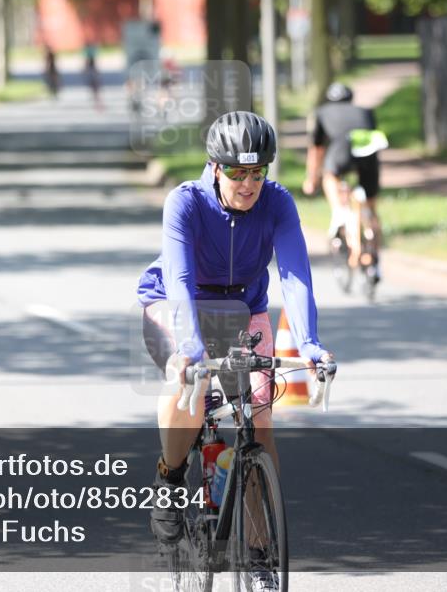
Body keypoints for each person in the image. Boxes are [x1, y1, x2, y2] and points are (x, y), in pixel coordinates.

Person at [137, 111, 332, 590]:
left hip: (244, 308)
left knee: (259, 416)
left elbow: (294, 273)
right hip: (175, 304)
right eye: (238, 173)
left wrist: (309, 343)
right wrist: (189, 350)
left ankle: (262, 553)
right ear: (215, 167)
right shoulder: (184, 202)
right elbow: (179, 281)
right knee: (186, 385)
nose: (249, 184)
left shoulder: (278, 203)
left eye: (258, 172)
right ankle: (170, 478)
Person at [306, 82, 383, 277]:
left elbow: (317, 149)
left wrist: (312, 179)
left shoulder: (322, 113)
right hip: (368, 153)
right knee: (371, 208)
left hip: (341, 151)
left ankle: (339, 212)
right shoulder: (365, 111)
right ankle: (374, 256)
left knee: (329, 176)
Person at [84, 43, 102, 111]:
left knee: (94, 86)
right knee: (95, 86)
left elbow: (88, 62)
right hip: (92, 71)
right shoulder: (91, 53)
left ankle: (96, 99)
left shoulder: (89, 54)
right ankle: (96, 99)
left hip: (92, 71)